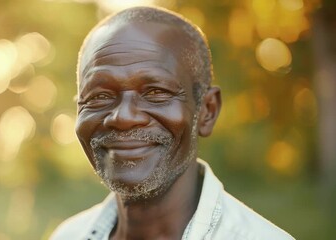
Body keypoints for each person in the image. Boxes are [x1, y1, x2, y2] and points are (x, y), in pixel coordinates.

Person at [50, 6, 294, 240]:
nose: (123, 117)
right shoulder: (68, 236)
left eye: (156, 92)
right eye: (99, 96)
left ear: (207, 111)